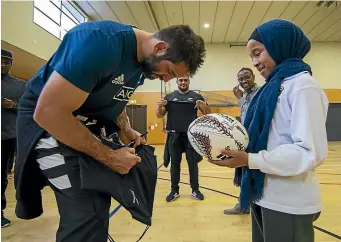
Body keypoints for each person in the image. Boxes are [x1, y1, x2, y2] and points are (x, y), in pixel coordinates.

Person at [14, 20, 206, 242]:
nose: (167, 79)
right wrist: (110, 157)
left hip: (84, 126)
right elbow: (48, 112)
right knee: (87, 210)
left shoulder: (143, 63)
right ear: (160, 48)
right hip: (49, 127)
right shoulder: (100, 42)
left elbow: (115, 96)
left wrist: (125, 128)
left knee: (98, 203)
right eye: (170, 71)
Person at [209, 19, 328, 242]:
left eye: (257, 53)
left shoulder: (303, 86)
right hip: (263, 195)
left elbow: (309, 152)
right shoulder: (273, 87)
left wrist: (250, 159)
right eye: (251, 57)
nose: (254, 62)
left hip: (289, 202)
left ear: (278, 44)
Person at [156, 76, 210, 202]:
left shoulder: (196, 97)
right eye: (181, 80)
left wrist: (203, 105)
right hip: (174, 136)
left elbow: (208, 114)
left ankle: (195, 190)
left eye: (185, 80)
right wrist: (159, 106)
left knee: (193, 164)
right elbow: (159, 115)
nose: (183, 82)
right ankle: (174, 190)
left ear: (189, 81)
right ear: (177, 82)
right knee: (175, 164)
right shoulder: (169, 97)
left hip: (191, 136)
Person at [223, 67, 259, 215]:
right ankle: (246, 204)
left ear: (253, 77)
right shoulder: (246, 95)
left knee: (249, 172)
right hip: (246, 138)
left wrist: (240, 99)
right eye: (241, 79)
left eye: (247, 77)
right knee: (245, 172)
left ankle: (245, 206)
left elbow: (252, 112)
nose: (244, 81)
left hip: (257, 139)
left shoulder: (259, 93)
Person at [1, 49, 26, 228]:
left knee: (3, 176)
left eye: (6, 61)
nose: (2, 64)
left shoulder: (20, 85)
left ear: (11, 63)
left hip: (9, 137)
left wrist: (15, 105)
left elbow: (29, 109)